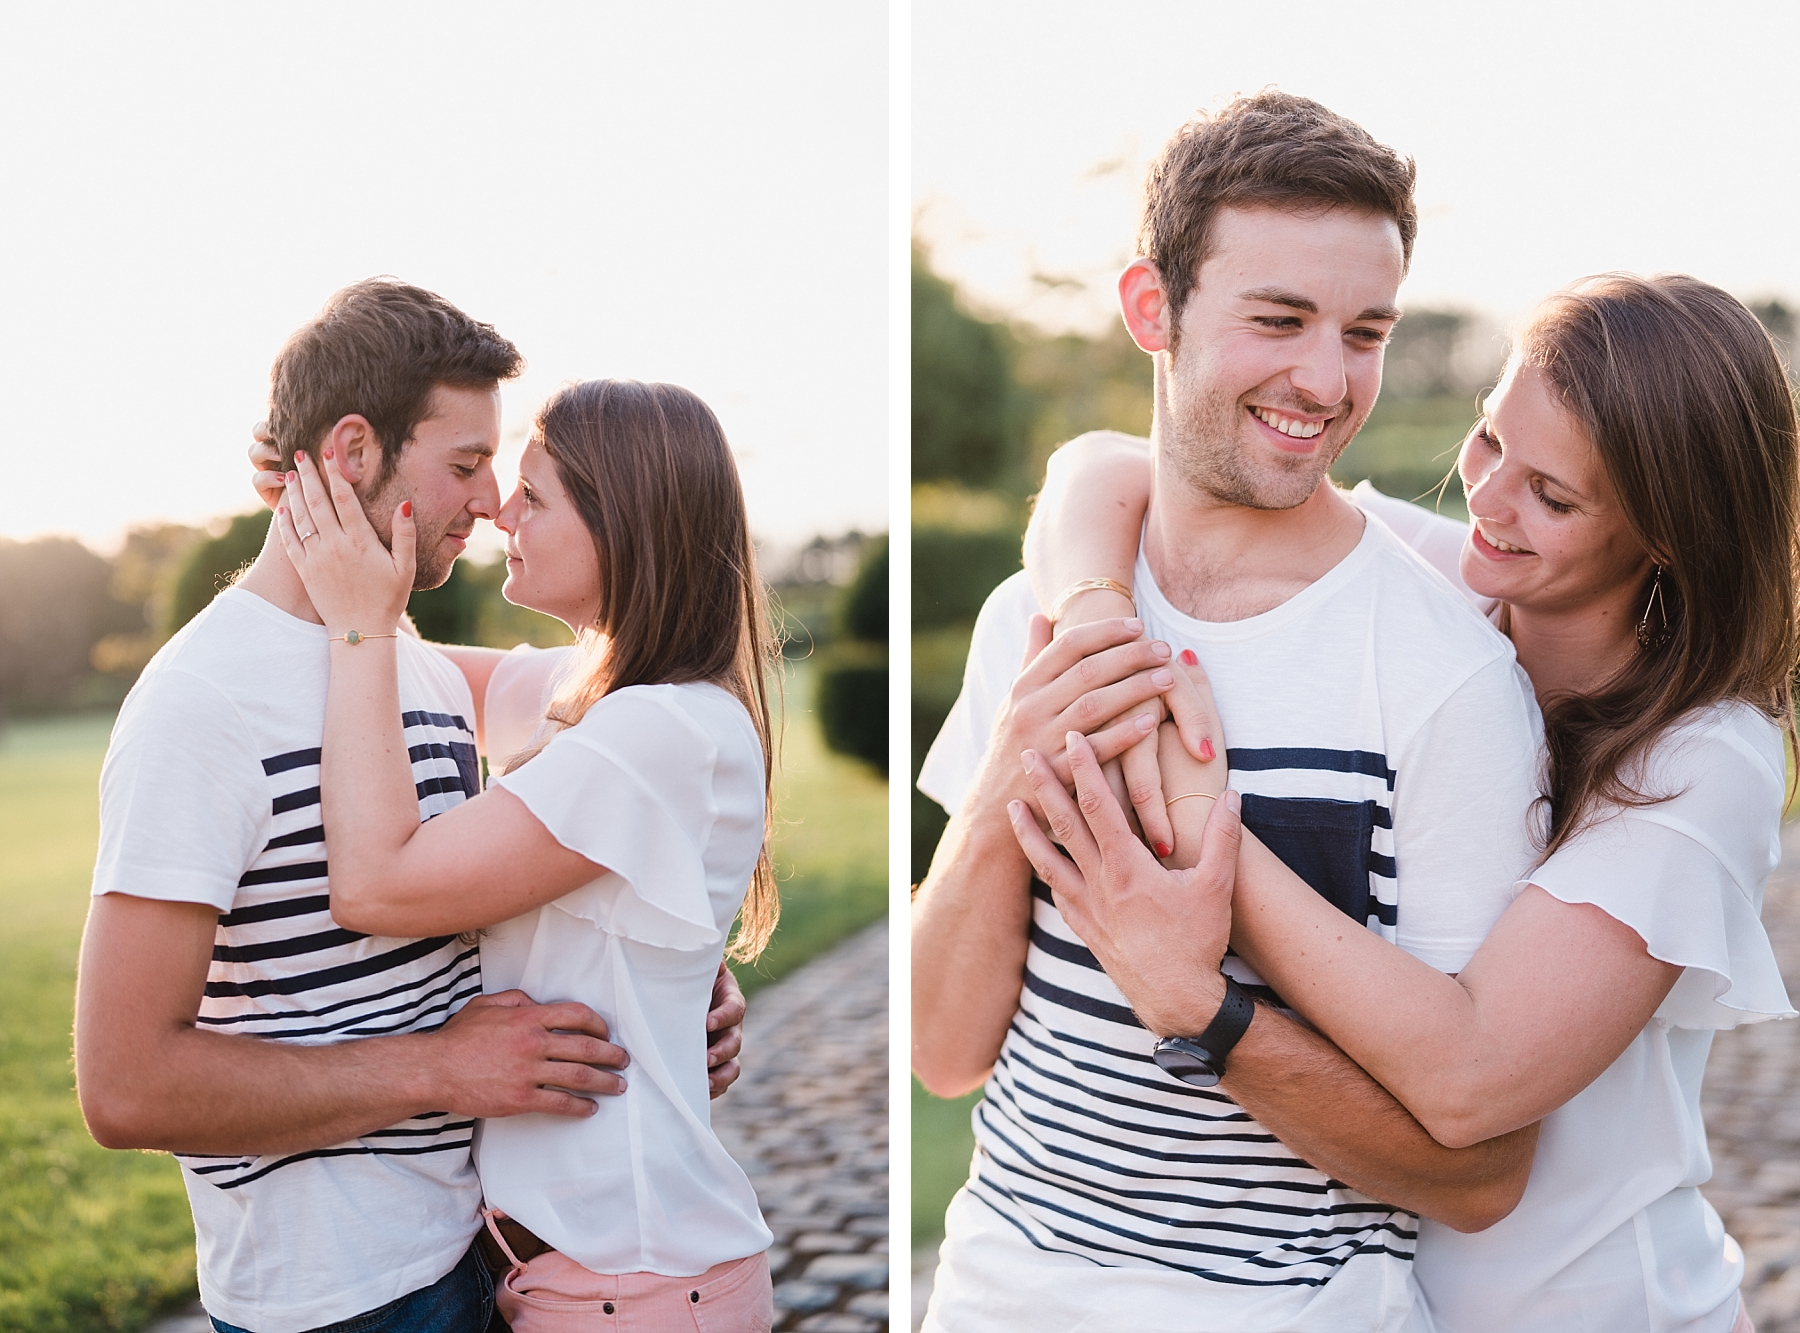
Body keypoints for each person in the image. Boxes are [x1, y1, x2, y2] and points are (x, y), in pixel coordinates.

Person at [1013, 271, 1797, 1332]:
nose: (1488, 498)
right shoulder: (1463, 579)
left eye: (1551, 495)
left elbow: (1474, 1075)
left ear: (1669, 534)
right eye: (1488, 441)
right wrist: (1097, 621)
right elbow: (1106, 467)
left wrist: (1206, 833)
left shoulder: (1708, 757)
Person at [911, 92, 1547, 1333]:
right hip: (996, 1293)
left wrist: (1201, 1006)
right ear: (1152, 309)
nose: (1326, 378)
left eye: (1364, 331)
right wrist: (1007, 780)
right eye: (1279, 319)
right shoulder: (1032, 619)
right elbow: (945, 1052)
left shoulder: (1450, 685)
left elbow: (1476, 1172)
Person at [74, 279, 745, 1333]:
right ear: (350, 453)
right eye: (468, 466)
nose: (488, 504)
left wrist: (671, 983)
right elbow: (124, 1085)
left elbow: (608, 751)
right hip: (341, 1299)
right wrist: (441, 1068)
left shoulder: (404, 662)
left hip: (479, 1251)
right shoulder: (200, 705)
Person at [270, 376, 779, 1330]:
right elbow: (410, 674)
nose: (503, 510)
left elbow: (379, 883)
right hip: (580, 1278)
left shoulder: (656, 732)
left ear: (623, 523)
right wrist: (332, 522)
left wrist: (357, 619)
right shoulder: (597, 694)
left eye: (535, 496)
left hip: (635, 1292)